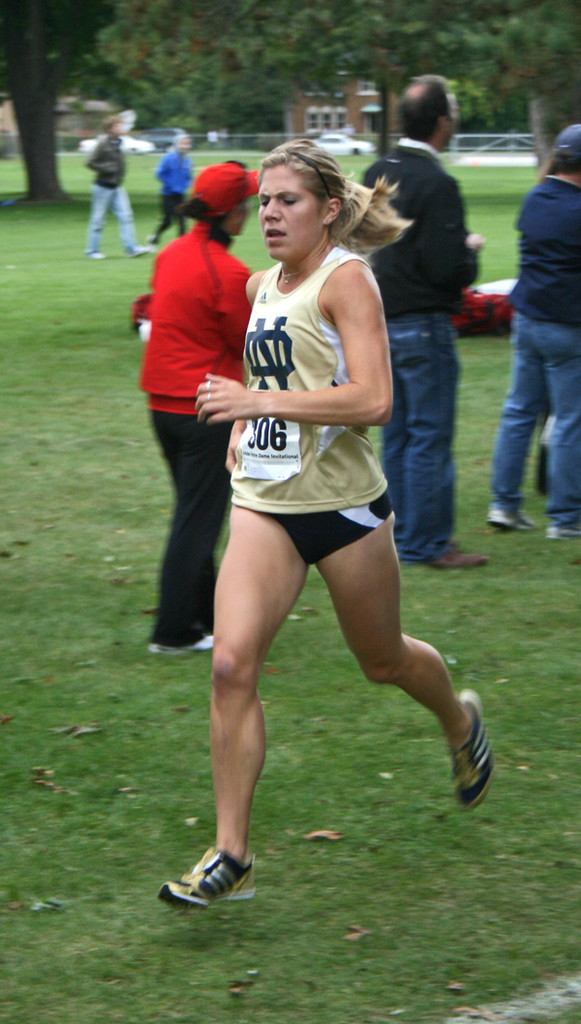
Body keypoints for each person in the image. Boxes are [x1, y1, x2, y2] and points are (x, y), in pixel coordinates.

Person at [158, 139, 494, 910]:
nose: (269, 214)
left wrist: (259, 404)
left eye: (287, 201)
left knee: (383, 662)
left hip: (342, 511)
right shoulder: (261, 283)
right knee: (230, 666)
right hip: (267, 507)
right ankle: (231, 854)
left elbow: (374, 401)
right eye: (265, 201)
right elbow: (275, 369)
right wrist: (250, 414)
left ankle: (458, 722)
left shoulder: (349, 282)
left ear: (329, 211)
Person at [363, 76, 488, 568]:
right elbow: (445, 269)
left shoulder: (377, 171)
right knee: (428, 436)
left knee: (398, 437)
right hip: (422, 323)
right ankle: (425, 542)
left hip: (379, 323)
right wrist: (468, 253)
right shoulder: (438, 184)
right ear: (441, 124)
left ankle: (401, 533)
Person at [140, 161, 259, 654]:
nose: (255, 211)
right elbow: (245, 340)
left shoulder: (171, 253)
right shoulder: (230, 272)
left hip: (163, 404)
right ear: (232, 215)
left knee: (195, 513)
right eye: (250, 204)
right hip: (204, 408)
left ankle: (206, 617)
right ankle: (174, 631)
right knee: (199, 519)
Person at [488, 124, 581, 540]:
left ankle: (504, 504)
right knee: (570, 421)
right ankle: (565, 517)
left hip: (527, 321)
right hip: (567, 328)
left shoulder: (536, 197)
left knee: (518, 413)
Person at [85, 116, 150, 259]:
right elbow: (90, 162)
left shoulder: (119, 143)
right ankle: (92, 251)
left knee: (126, 216)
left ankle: (131, 248)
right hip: (102, 186)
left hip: (117, 186)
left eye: (120, 125)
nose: (120, 128)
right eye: (116, 126)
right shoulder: (103, 144)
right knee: (98, 220)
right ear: (109, 129)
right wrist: (107, 168)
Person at [147, 135, 193, 248]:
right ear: (177, 144)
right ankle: (154, 238)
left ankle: (183, 247)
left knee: (182, 220)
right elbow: (159, 173)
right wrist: (171, 184)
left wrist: (187, 185)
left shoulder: (188, 161)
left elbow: (189, 177)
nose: (185, 146)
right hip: (168, 194)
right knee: (168, 220)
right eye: (182, 143)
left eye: (187, 144)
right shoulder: (168, 158)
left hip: (181, 194)